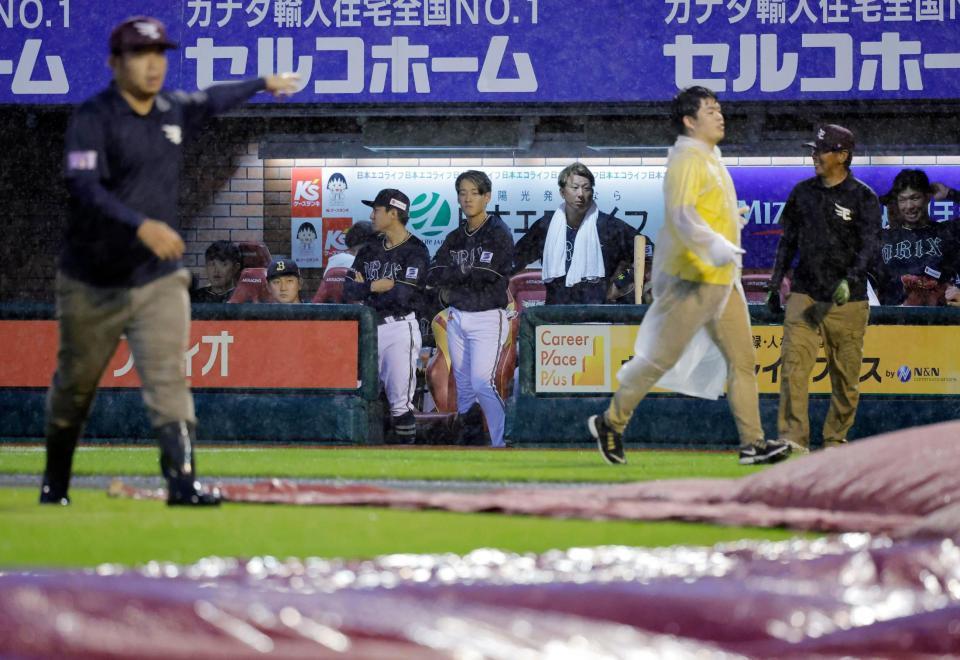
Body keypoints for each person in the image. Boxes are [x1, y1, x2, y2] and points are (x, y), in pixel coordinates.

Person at [40, 15, 299, 506]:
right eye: (141, 54)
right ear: (115, 63)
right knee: (76, 385)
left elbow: (214, 97)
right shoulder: (94, 117)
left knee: (168, 377)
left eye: (159, 54)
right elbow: (83, 186)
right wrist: (139, 224)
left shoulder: (172, 110)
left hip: (156, 279)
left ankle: (181, 481)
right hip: (93, 279)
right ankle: (55, 482)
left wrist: (262, 83)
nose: (153, 64)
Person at [588, 86, 790, 467]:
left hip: (722, 279)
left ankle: (753, 443)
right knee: (659, 359)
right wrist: (713, 242)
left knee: (743, 362)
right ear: (689, 120)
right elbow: (681, 215)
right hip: (694, 278)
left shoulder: (711, 156)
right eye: (710, 110)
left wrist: (731, 218)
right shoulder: (685, 158)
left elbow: (702, 210)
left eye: (719, 109)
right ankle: (611, 422)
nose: (720, 115)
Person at [766, 124, 882, 453]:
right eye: (814, 150)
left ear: (843, 156)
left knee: (845, 378)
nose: (814, 156)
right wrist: (776, 285)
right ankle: (793, 439)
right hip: (806, 293)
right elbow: (787, 242)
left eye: (822, 150)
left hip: (847, 300)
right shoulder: (803, 192)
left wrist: (852, 278)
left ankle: (834, 440)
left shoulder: (863, 197)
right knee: (793, 367)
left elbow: (870, 246)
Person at [426, 170, 515, 448]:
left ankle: (501, 441)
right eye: (462, 193)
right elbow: (434, 273)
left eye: (474, 192)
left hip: (488, 316)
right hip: (457, 316)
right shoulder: (455, 236)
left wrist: (453, 280)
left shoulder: (498, 232)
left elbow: (485, 276)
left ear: (487, 197)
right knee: (463, 387)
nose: (467, 198)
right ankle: (472, 440)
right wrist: (458, 277)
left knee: (481, 382)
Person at [343, 189, 428, 444]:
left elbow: (402, 296)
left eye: (376, 210)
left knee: (399, 403)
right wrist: (373, 286)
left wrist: (366, 288)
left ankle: (405, 461)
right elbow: (347, 289)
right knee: (359, 393)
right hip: (368, 328)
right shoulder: (370, 247)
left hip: (399, 330)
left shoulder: (416, 250)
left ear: (393, 213)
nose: (371, 215)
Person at [513, 162, 636, 304]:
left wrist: (619, 283)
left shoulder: (611, 226)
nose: (581, 194)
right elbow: (515, 260)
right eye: (575, 188)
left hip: (600, 314)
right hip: (557, 314)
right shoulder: (545, 226)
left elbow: (647, 258)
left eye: (586, 188)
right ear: (562, 192)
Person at [873, 169, 960, 306]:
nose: (909, 206)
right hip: (890, 323)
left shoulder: (946, 233)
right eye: (902, 200)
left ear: (927, 197)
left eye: (915, 198)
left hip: (938, 322)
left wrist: (950, 193)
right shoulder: (882, 238)